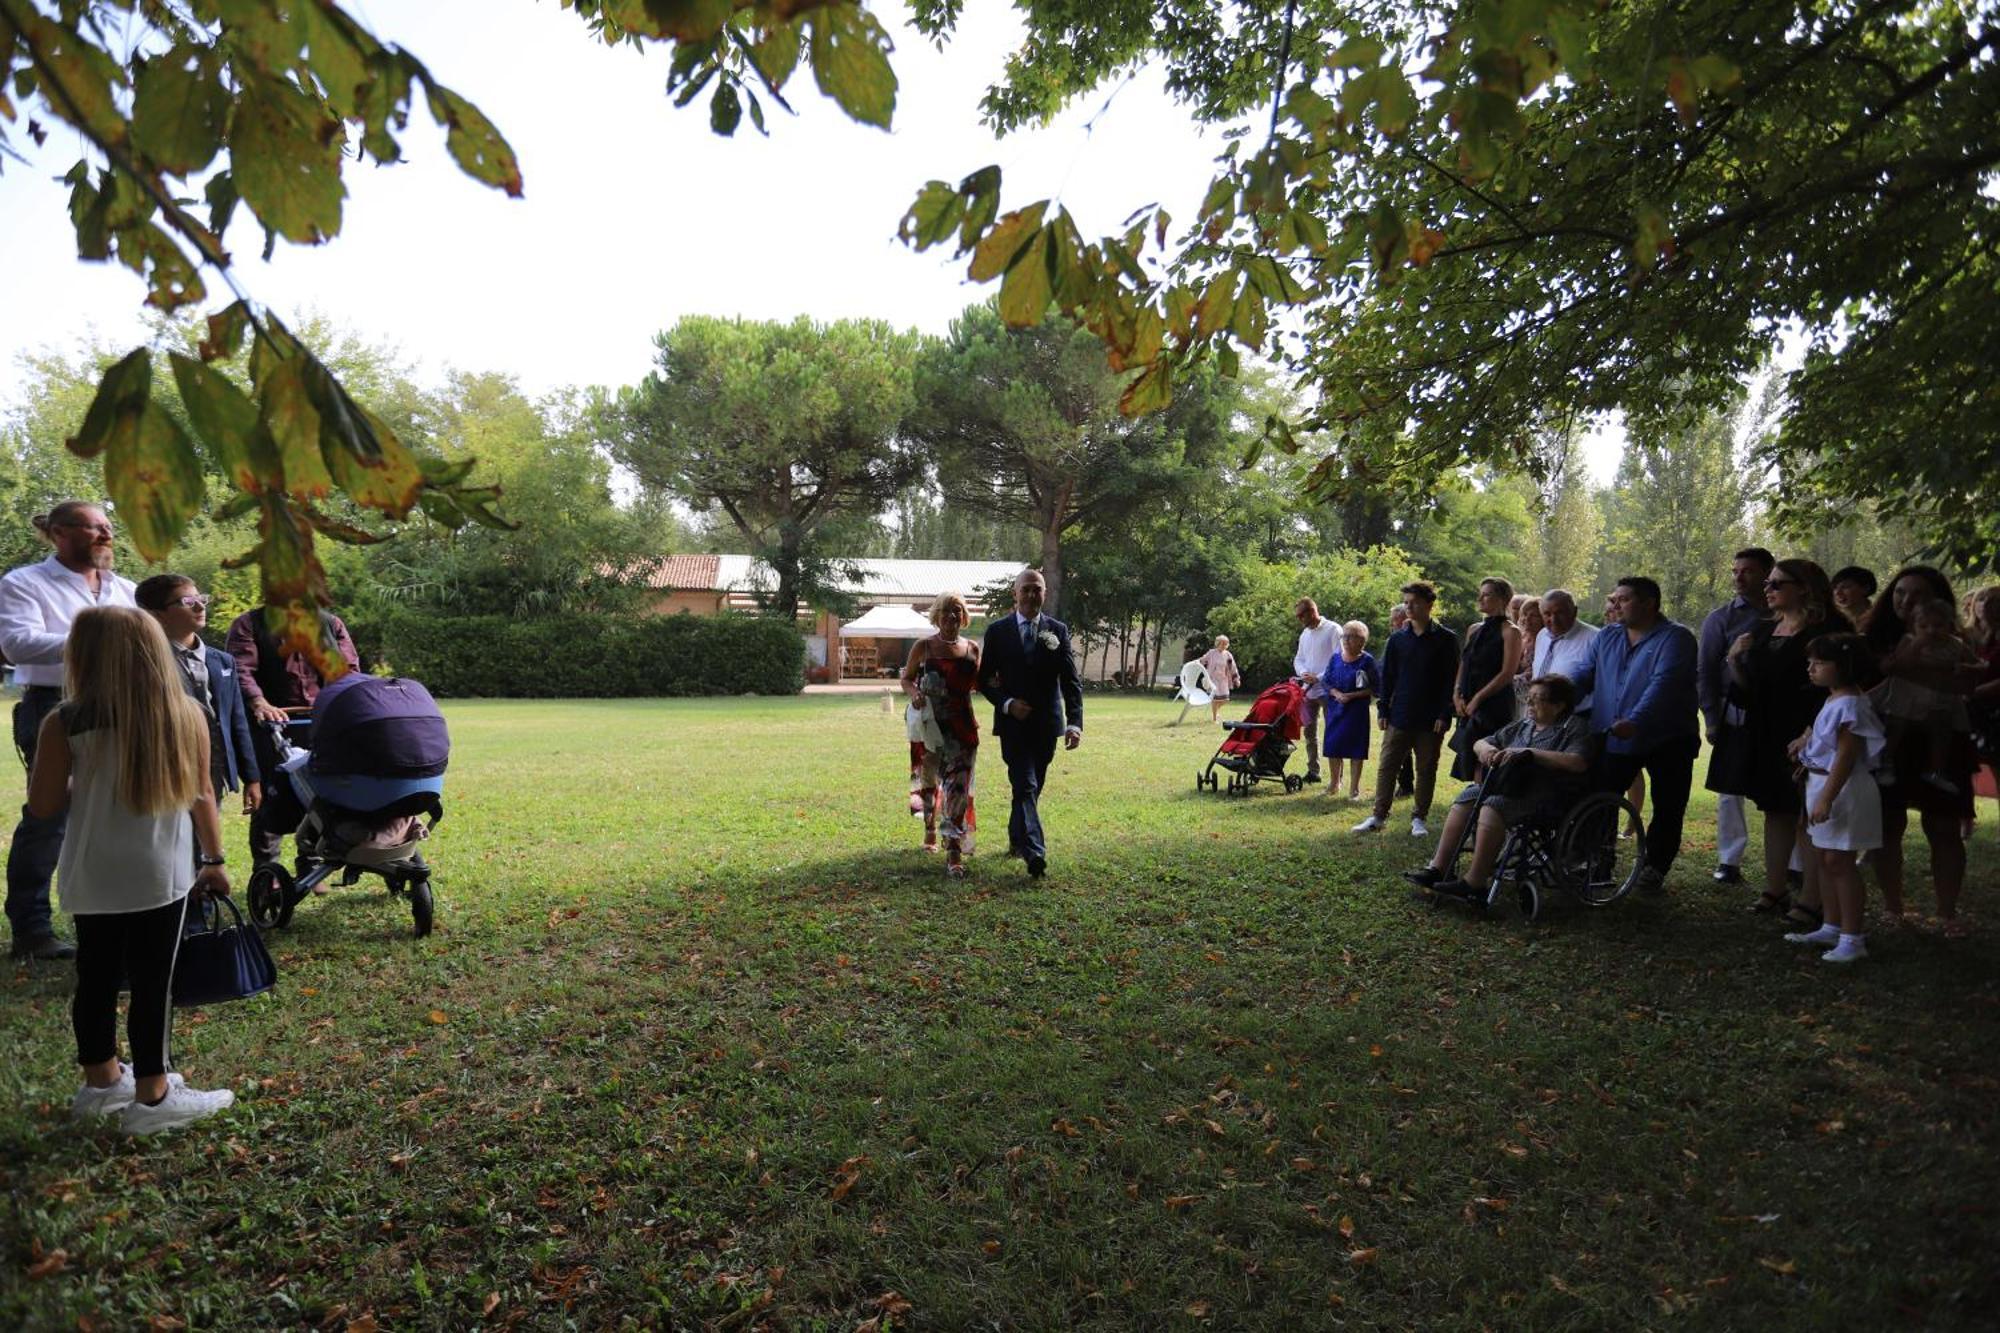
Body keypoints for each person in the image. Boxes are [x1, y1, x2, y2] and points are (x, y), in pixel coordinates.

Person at [28, 607, 236, 1134]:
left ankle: (101, 1084)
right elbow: (203, 795)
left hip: (92, 871)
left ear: (83, 655)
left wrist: (91, 782)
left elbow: (45, 806)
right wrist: (213, 861)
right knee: (152, 982)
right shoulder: (185, 714)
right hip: (159, 872)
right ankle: (154, 1095)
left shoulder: (64, 721)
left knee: (95, 977)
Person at [0, 500, 138, 961]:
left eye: (108, 527)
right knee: (48, 816)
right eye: (94, 527)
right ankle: (31, 928)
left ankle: (124, 913)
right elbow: (17, 644)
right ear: (59, 532)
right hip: (55, 706)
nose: (106, 534)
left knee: (127, 810)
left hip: (124, 708)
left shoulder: (126, 589)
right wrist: (101, 638)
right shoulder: (25, 582)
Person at [1709, 559, 1841, 915]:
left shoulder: (1829, 631)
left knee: (1806, 817)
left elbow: (1842, 687)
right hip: (1767, 734)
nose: (1767, 589)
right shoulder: (1764, 629)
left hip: (1814, 734)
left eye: (1776, 584)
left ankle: (1811, 899)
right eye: (1767, 583)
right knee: (1776, 811)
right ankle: (1775, 889)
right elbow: (1749, 693)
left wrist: (1812, 732)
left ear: (1804, 587)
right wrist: (1735, 662)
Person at [1850, 566, 1977, 934]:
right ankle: (1893, 908)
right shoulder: (1875, 635)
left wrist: (1906, 673)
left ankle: (1947, 913)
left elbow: (1966, 683)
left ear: (1937, 599)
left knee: (1943, 826)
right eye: (1900, 593)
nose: (1906, 602)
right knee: (1889, 825)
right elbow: (1867, 681)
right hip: (1892, 740)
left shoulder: (1955, 637)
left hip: (1943, 739)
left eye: (1917, 594)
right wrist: (1932, 675)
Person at [1404, 674, 1594, 902]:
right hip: (1509, 786)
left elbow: (1578, 762)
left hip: (1545, 795)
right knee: (1467, 798)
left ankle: (1475, 882)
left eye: (1537, 699)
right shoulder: (1524, 725)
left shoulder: (1573, 727)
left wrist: (1531, 754)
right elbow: (1482, 741)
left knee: (1492, 806)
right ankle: (1439, 867)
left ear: (1559, 705)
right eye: (1528, 697)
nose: (1529, 703)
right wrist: (1485, 750)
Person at [1567, 576, 1700, 895]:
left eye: (1623, 600)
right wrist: (1555, 695)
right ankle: (1599, 861)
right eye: (1614, 599)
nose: (1614, 605)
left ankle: (1654, 866)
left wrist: (1635, 720)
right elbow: (1584, 673)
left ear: (1649, 603)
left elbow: (1663, 685)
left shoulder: (1676, 638)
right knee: (1602, 797)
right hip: (1613, 735)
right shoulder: (1607, 637)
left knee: (1668, 803)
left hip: (1668, 738)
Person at [226, 603, 359, 866]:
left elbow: (348, 669)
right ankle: (266, 870)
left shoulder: (330, 624)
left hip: (321, 721)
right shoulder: (249, 624)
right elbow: (241, 670)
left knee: (320, 793)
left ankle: (309, 861)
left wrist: (340, 700)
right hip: (270, 724)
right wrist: (259, 702)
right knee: (270, 795)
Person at [1782, 634, 1887, 964]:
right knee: (1826, 860)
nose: (1811, 668)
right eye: (1810, 662)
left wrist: (1826, 798)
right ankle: (1832, 924)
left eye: (1820, 663)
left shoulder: (1850, 704)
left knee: (1840, 863)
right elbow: (1825, 740)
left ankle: (1852, 936)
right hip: (1825, 785)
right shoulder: (1834, 699)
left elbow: (1845, 755)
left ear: (1844, 666)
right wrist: (1806, 747)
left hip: (1844, 790)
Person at [976, 570, 1083, 878]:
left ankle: (1016, 838)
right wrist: (1007, 704)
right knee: (1025, 784)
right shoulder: (997, 632)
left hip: (1048, 725)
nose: (1031, 595)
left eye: (1037, 590)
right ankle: (1034, 851)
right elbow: (984, 680)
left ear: (1044, 594)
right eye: (1026, 589)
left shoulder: (1057, 631)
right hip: (1013, 726)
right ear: (1015, 593)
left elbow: (1070, 681)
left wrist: (1075, 723)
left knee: (1031, 787)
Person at [136, 576, 262, 830]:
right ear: (157, 614)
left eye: (201, 599)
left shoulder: (223, 661)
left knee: (205, 842)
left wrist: (252, 777)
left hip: (213, 769)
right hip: (166, 769)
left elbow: (236, 721)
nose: (200, 607)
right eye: (187, 601)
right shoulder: (142, 661)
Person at [1354, 582, 1457, 837]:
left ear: (1429, 605)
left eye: (1414, 602)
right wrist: (1383, 710)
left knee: (1426, 769)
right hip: (1400, 713)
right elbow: (1387, 677)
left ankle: (1419, 818)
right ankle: (1378, 816)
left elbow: (1451, 680)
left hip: (1431, 718)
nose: (1408, 607)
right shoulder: (1397, 639)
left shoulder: (1446, 639)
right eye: (1406, 602)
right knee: (1388, 765)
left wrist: (1445, 714)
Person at [1698, 548, 1775, 887]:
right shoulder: (1721, 618)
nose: (1739, 578)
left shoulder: (1784, 614)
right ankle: (1729, 861)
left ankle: (1796, 865)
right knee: (1730, 788)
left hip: (1778, 711)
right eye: (1735, 571)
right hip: (1735, 711)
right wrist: (1712, 718)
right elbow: (1705, 671)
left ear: (1768, 574)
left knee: (1784, 787)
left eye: (1748, 571)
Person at [902, 593, 981, 878]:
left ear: (964, 616)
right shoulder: (923, 647)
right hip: (930, 726)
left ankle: (954, 850)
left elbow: (979, 684)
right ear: (936, 616)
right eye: (946, 611)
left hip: (962, 728)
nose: (951, 616)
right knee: (929, 783)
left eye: (957, 611)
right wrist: (915, 694)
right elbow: (906, 678)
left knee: (958, 788)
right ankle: (930, 828)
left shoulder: (972, 649)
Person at [1871, 597, 1981, 795]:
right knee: (1896, 726)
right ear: (1914, 626)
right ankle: (1885, 762)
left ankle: (1936, 770)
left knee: (1942, 731)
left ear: (1950, 624)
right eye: (1924, 626)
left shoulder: (1956, 644)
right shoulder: (1910, 641)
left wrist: (1966, 668)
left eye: (1938, 625)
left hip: (1940, 698)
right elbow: (1901, 664)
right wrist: (1918, 646)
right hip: (1907, 697)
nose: (1931, 631)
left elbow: (1978, 664)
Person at [1448, 577, 1523, 781]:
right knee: (1468, 753)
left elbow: (1507, 673)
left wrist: (1478, 699)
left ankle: (1484, 803)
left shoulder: (1511, 631)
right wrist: (1456, 694)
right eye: (1480, 594)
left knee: (1488, 756)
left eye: (1486, 594)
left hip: (1494, 704)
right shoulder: (1474, 629)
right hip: (1468, 701)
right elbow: (1464, 664)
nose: (1480, 598)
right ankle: (1473, 800)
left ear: (1502, 599)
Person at [1319, 621, 1376, 801]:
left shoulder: (1367, 661)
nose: (1345, 640)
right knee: (1333, 747)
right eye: (1344, 636)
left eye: (1350, 637)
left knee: (1356, 749)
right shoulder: (1335, 658)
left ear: (1361, 640)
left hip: (1356, 712)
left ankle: (1354, 790)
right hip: (1335, 709)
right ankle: (1334, 784)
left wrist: (1351, 696)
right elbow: (1326, 681)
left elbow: (1375, 688)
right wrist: (1336, 693)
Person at [1292, 599, 1341, 784]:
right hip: (1308, 691)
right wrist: (1303, 673)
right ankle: (1314, 771)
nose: (1299, 619)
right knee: (1309, 733)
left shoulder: (1333, 629)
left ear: (1312, 611)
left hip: (1329, 690)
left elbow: (1339, 658)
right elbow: (1299, 659)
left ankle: (1336, 778)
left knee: (1333, 732)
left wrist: (1319, 677)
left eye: (1301, 615)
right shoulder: (1305, 634)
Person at [1532, 589, 1598, 719]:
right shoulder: (1542, 635)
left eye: (1560, 613)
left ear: (1574, 611)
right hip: (1540, 715)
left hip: (1575, 717)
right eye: (1547, 614)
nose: (1553, 619)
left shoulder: (1594, 638)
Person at [1387, 603, 1414, 797]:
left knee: (1402, 745)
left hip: (1407, 700)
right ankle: (1404, 783)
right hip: (1394, 700)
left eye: (1395, 621)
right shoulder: (1394, 640)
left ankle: (1405, 784)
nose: (1392, 625)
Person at [1198, 635, 1241, 724]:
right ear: (1217, 644)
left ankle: (1216, 711)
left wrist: (1236, 679)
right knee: (1215, 699)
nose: (1224, 645)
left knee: (1225, 699)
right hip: (1213, 678)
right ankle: (1214, 718)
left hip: (1224, 679)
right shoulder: (1211, 653)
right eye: (1222, 643)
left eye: (1226, 644)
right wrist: (1196, 663)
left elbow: (1233, 667)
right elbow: (1203, 660)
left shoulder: (1228, 655)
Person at [1511, 595, 1545, 708]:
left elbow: (1533, 675)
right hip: (1512, 699)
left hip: (1531, 701)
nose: (1527, 619)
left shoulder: (1545, 642)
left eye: (1534, 615)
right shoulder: (1519, 637)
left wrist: (1504, 681)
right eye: (1525, 614)